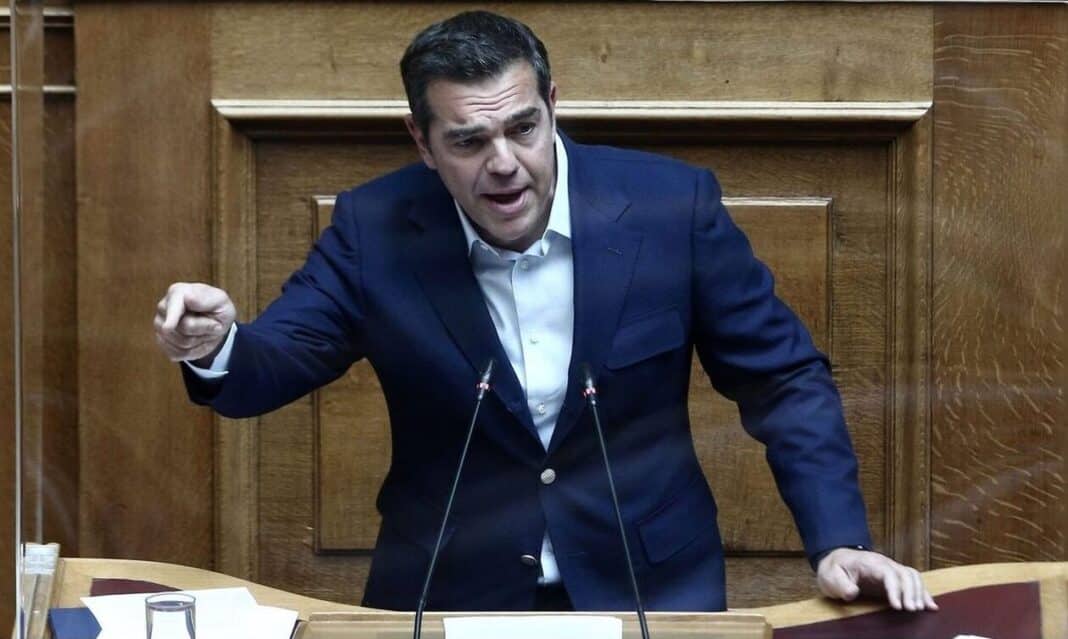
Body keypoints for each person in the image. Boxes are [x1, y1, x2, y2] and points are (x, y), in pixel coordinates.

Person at [154, 11, 937, 614]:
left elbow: (784, 379)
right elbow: (275, 359)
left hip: (651, 587)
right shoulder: (374, 228)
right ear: (422, 142)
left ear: (553, 106)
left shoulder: (670, 208)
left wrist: (838, 539)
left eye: (523, 127)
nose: (504, 163)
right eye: (469, 141)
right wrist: (217, 344)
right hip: (449, 591)